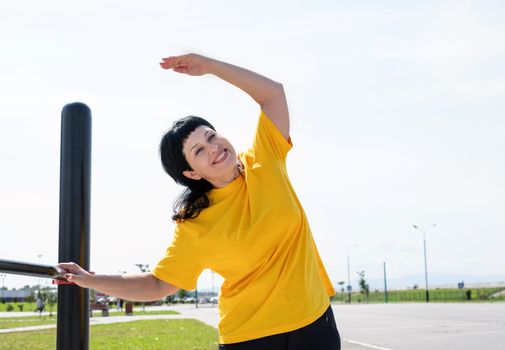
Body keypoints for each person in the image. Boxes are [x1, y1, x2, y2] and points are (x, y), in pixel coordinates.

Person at [58, 53, 340, 349]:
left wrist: (210, 67)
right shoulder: (195, 222)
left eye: (211, 136)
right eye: (199, 150)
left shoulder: (265, 161)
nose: (214, 148)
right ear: (191, 172)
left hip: (314, 326)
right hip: (251, 338)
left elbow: (272, 94)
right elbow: (158, 283)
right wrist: (90, 280)